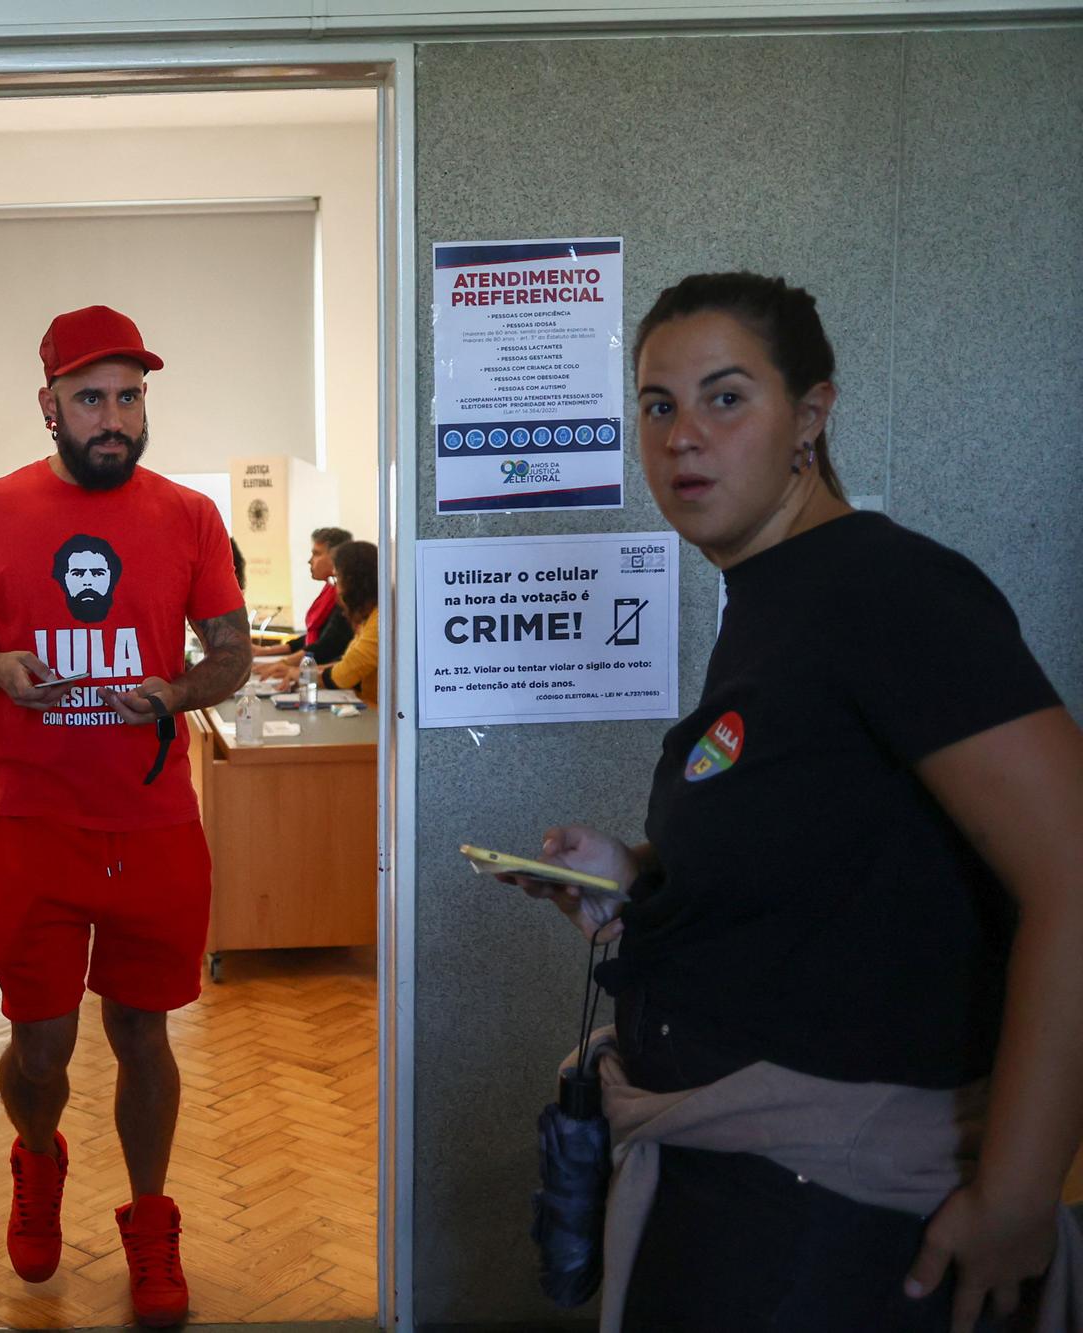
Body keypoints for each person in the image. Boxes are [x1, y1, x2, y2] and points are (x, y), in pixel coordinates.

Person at [512, 273, 1083, 1332]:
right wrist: (636, 871)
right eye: (656, 405)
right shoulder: (770, 602)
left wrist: (1013, 1193)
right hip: (740, 1197)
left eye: (725, 398)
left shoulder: (888, 591)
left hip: (834, 1219)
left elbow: (1072, 876)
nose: (683, 436)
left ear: (808, 417)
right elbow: (832, 846)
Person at [0, 304, 252, 1327]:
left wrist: (172, 693)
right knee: (41, 1047)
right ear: (49, 405)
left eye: (129, 396)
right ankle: (36, 1154)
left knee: (143, 1033)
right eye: (92, 397)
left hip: (152, 826)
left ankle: (150, 1220)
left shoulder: (187, 516)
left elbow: (230, 658)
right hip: (31, 822)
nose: (114, 416)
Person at [274, 539, 378, 707]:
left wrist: (301, 674)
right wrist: (301, 671)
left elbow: (344, 674)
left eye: (337, 578)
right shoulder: (370, 618)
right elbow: (346, 663)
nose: (337, 588)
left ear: (353, 581)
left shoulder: (378, 622)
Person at [253, 525, 355, 671]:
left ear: (336, 557)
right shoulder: (329, 589)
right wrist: (265, 651)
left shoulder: (345, 595)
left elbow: (328, 644)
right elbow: (317, 635)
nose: (310, 560)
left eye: (316, 554)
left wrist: (285, 664)